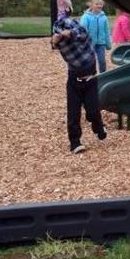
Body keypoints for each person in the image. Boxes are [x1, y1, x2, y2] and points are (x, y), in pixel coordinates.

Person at [52, 14, 106, 154]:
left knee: (93, 110)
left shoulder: (82, 34)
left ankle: (98, 127)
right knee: (73, 113)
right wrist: (56, 39)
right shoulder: (64, 44)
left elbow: (80, 33)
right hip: (74, 80)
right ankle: (75, 142)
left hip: (90, 80)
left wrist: (69, 32)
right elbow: (54, 42)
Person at [80, 0, 112, 74]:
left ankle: (103, 74)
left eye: (101, 4)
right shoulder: (86, 17)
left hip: (101, 43)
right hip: (90, 43)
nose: (99, 5)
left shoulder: (103, 17)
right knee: (90, 61)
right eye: (97, 4)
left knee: (102, 61)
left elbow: (106, 31)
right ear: (91, 5)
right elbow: (83, 30)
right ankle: (91, 75)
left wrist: (108, 44)